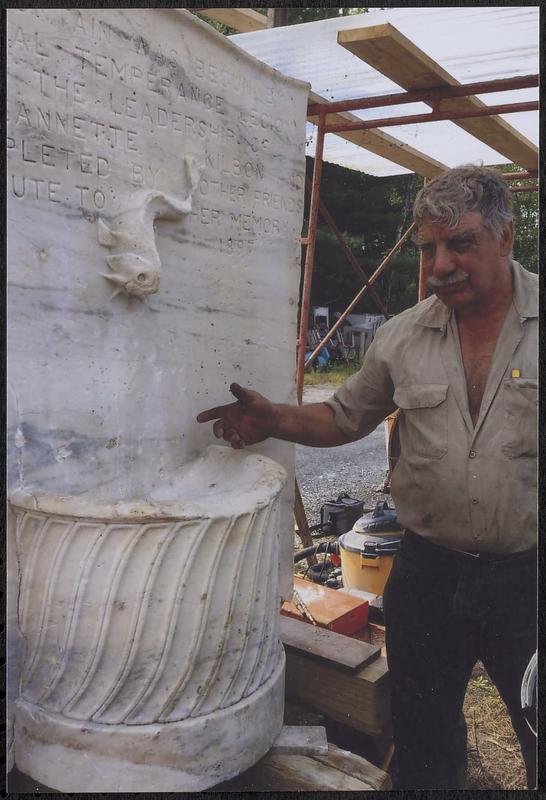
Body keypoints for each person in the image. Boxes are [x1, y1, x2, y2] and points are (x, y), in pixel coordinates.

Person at [196, 165, 537, 789]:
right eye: (428, 247)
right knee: (425, 734)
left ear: (506, 237)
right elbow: (342, 416)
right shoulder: (402, 337)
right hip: (429, 571)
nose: (439, 266)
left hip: (528, 577)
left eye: (459, 243)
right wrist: (274, 417)